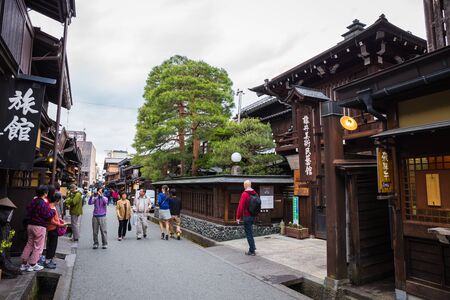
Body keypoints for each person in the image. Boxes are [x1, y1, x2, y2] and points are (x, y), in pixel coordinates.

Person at [20, 185, 55, 272]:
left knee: (29, 244)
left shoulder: (33, 201)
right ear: (45, 193)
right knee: (38, 246)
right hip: (39, 226)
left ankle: (24, 263)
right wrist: (53, 211)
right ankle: (33, 264)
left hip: (30, 225)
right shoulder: (43, 203)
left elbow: (28, 209)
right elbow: (47, 215)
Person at [44, 192, 66, 269]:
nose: (59, 202)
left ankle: (49, 260)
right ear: (57, 200)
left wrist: (59, 220)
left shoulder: (51, 206)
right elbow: (51, 221)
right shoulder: (51, 207)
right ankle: (47, 261)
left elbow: (54, 218)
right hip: (52, 228)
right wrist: (60, 224)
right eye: (59, 200)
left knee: (52, 245)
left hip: (52, 228)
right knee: (52, 245)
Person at [236, 180, 257, 256]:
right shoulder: (255, 193)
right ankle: (253, 248)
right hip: (253, 216)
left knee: (249, 233)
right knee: (250, 232)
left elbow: (241, 206)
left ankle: (252, 250)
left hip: (247, 216)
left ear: (245, 186)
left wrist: (238, 217)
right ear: (250, 185)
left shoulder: (244, 194)